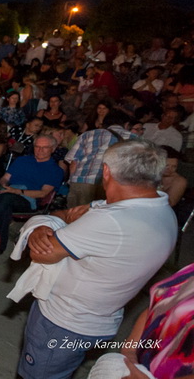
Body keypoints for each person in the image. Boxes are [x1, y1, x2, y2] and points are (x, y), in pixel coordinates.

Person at [18, 139, 177, 379]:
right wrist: (57, 221)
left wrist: (42, 223)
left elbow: (41, 252)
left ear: (106, 171)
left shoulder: (112, 219)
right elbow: (71, 214)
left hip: (63, 323)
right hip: (99, 321)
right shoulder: (160, 210)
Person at [0, 134, 65, 253]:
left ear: (53, 149)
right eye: (37, 146)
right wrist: (3, 184)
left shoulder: (55, 170)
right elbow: (5, 178)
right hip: (8, 192)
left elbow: (43, 193)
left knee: (5, 199)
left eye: (45, 147)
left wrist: (16, 191)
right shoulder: (22, 160)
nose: (40, 150)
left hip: (28, 199)